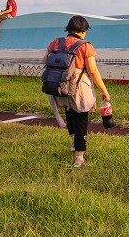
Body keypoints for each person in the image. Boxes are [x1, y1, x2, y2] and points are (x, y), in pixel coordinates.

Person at [43, 15, 111, 169]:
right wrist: (104, 90)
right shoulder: (85, 46)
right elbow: (92, 71)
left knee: (70, 117)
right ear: (83, 30)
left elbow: (44, 61)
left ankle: (74, 146)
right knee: (81, 121)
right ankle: (79, 159)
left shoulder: (56, 42)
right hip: (78, 88)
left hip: (58, 87)